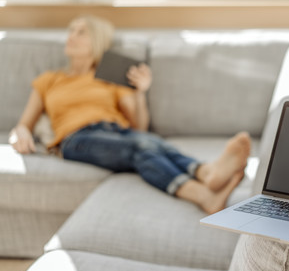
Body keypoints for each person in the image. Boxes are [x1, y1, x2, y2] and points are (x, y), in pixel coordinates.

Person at [8, 15, 251, 214]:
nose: (71, 36)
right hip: (76, 139)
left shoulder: (111, 78)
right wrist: (19, 133)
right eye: (71, 30)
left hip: (119, 132)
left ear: (97, 41)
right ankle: (202, 189)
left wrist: (139, 92)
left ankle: (207, 174)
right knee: (142, 147)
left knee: (151, 143)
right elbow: (24, 125)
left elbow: (139, 126)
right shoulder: (50, 80)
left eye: (81, 32)